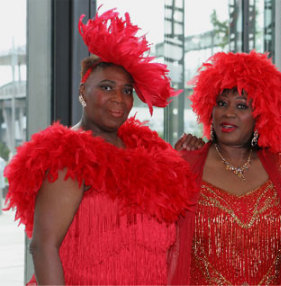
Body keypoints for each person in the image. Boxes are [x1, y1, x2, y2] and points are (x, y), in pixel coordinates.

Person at [4, 8, 195, 285]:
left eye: (127, 90)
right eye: (106, 87)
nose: (118, 98)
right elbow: (43, 246)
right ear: (83, 92)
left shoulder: (150, 156)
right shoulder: (68, 155)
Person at [169, 51, 281, 285]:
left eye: (242, 106)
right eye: (222, 103)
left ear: (261, 115)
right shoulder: (187, 165)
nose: (228, 113)